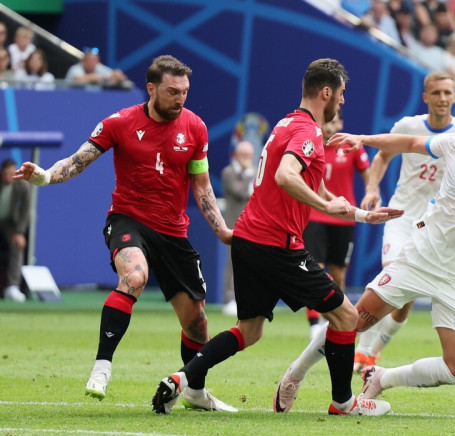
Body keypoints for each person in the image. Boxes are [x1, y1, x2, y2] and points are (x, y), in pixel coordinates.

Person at [150, 58, 401, 416]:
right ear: (326, 92)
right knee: (347, 316)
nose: (343, 102)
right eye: (341, 94)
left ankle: (180, 378)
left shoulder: (286, 123)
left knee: (249, 331)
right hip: (276, 244)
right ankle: (344, 402)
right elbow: (286, 175)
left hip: (248, 239)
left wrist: (360, 214)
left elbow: (315, 181)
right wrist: (327, 209)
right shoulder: (310, 131)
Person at [277, 93, 455, 413]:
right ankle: (294, 375)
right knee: (351, 321)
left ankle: (382, 378)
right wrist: (362, 138)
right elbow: (408, 142)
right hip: (419, 257)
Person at [14, 55, 237, 412]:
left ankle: (195, 392)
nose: (181, 98)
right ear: (151, 89)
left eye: (185, 91)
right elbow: (76, 160)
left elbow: (202, 186)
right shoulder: (119, 123)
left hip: (173, 232)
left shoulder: (196, 128)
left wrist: (222, 229)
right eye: (172, 91)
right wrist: (43, 175)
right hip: (128, 220)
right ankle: (102, 367)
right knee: (135, 276)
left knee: (197, 323)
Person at [352, 71, 455, 372]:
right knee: (391, 276)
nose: (443, 98)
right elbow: (382, 156)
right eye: (436, 93)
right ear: (426, 97)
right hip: (402, 216)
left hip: (435, 227)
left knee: (404, 301)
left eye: (448, 93)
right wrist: (372, 189)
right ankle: (361, 351)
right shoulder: (408, 126)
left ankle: (372, 351)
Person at [303, 110, 370, 338]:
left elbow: (367, 174)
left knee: (339, 274)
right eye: (326, 122)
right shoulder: (309, 145)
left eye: (334, 122)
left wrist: (372, 192)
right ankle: (314, 324)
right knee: (316, 271)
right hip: (314, 217)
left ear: (341, 122)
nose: (330, 127)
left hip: (343, 218)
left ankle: (336, 320)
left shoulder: (351, 146)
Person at [220, 140, 256, 317]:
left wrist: (251, 174)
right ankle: (229, 300)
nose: (246, 159)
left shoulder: (255, 173)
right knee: (232, 262)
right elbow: (239, 191)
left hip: (253, 224)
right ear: (236, 154)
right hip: (233, 224)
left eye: (249, 155)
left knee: (252, 263)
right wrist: (249, 175)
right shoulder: (228, 173)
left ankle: (251, 298)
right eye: (243, 155)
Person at [0, 159, 30, 303]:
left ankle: (13, 286)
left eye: (12, 173)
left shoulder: (22, 186)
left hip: (10, 223)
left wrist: (19, 232)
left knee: (17, 245)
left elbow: (25, 211)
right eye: (6, 174)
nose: (9, 177)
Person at [65, 47, 129, 87]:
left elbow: (118, 76)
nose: (90, 62)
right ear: (83, 60)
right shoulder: (75, 69)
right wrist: (106, 77)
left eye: (93, 60)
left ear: (97, 62)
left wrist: (118, 76)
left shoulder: (99, 68)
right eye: (88, 60)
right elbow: (79, 79)